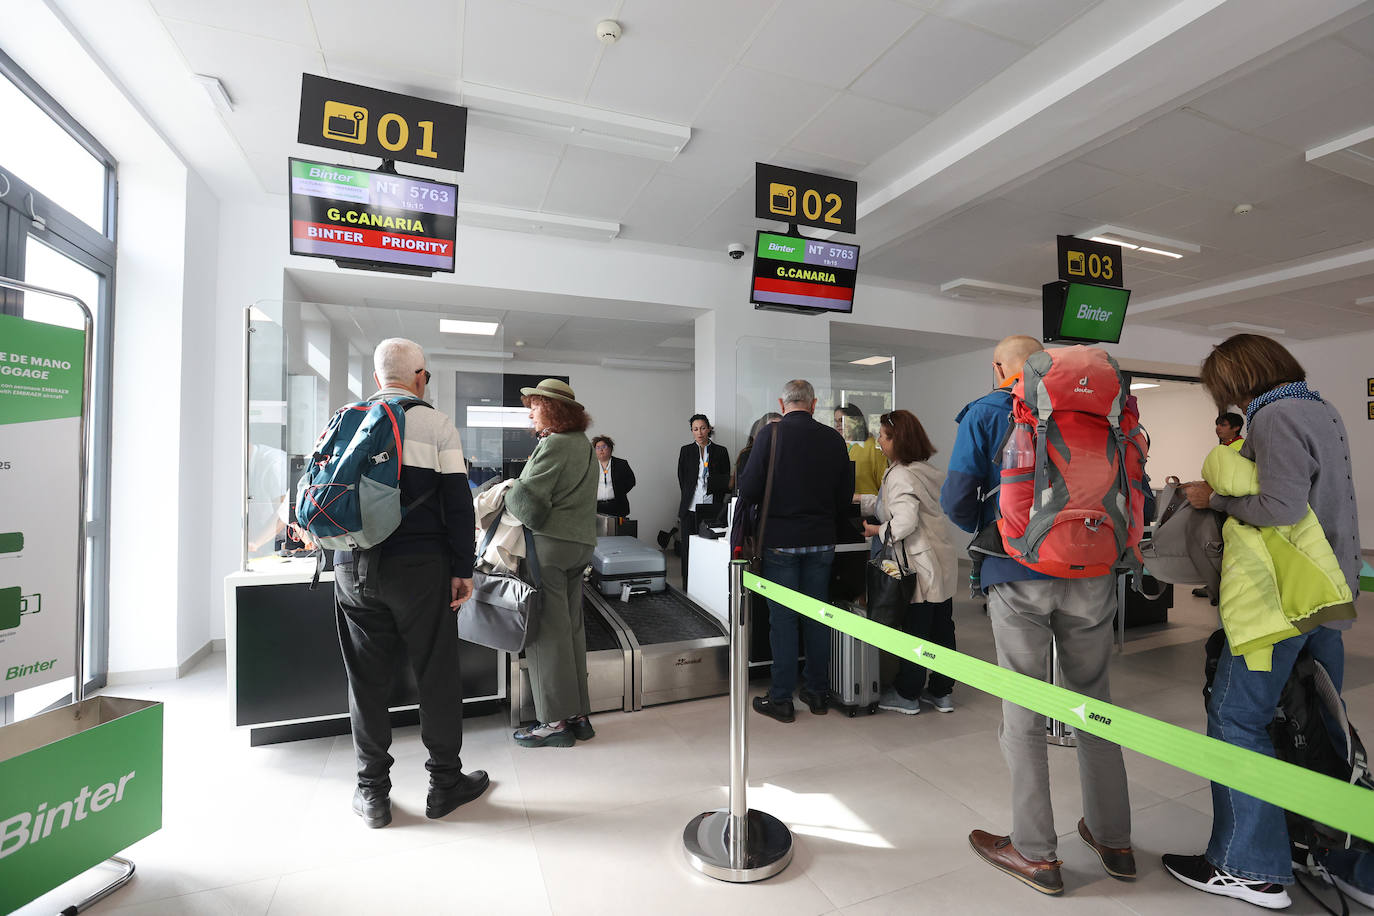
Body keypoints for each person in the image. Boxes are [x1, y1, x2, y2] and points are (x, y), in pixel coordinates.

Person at [1164, 334, 1360, 909]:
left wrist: (1213, 499)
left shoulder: (1274, 417)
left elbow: (1280, 507)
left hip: (1283, 600)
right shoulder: (1322, 408)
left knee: (1236, 718)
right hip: (1329, 594)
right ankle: (1320, 847)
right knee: (1316, 725)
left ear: (1236, 379)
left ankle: (1246, 866)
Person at [941, 334, 1135, 895]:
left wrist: (999, 527)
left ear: (999, 366)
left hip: (1018, 572)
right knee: (1094, 704)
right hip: (1094, 570)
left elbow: (956, 499)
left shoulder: (988, 410)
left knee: (1023, 709)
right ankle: (1114, 840)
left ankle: (1036, 852)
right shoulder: (1103, 408)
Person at [329, 338, 487, 828]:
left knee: (365, 680)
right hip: (419, 568)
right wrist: (463, 569)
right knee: (435, 673)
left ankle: (372, 792)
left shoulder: (346, 419)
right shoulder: (435, 423)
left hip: (351, 566)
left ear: (377, 379)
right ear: (420, 377)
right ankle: (444, 783)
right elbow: (458, 504)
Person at [738, 379, 854, 722]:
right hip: (822, 540)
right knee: (817, 616)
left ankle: (781, 698)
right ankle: (817, 693)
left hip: (780, 541)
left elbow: (748, 488)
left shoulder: (769, 435)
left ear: (782, 403)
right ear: (813, 404)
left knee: (783, 621)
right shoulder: (833, 438)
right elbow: (844, 495)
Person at [506, 378, 599, 748]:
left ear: (552, 409)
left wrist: (509, 488)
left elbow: (528, 505)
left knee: (546, 634)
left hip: (550, 549)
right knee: (572, 629)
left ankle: (554, 722)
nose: (530, 414)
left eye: (535, 407)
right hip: (580, 546)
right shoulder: (584, 445)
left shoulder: (554, 444)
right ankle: (578, 716)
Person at [858, 410, 959, 715]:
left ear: (898, 440)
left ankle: (907, 693)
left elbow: (903, 522)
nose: (879, 442)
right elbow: (900, 502)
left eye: (883, 437)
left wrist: (876, 530)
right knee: (942, 628)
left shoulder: (900, 474)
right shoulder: (925, 470)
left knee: (916, 630)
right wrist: (862, 500)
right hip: (940, 560)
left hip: (917, 563)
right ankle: (942, 692)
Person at [676, 414, 730, 589]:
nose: (699, 432)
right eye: (695, 429)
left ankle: (707, 586)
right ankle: (687, 584)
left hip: (711, 507)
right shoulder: (686, 450)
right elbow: (682, 477)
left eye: (703, 428)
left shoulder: (721, 451)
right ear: (692, 431)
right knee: (688, 547)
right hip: (690, 506)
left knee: (709, 547)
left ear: (709, 429)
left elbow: (725, 479)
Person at [835, 403, 886, 496]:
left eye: (842, 421)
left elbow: (884, 486)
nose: (838, 425)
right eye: (836, 421)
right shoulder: (837, 447)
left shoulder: (873, 447)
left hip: (868, 503)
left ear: (856, 421)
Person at [733, 411, 781, 488]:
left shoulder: (788, 454)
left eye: (780, 429)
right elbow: (745, 487)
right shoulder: (748, 455)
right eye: (770, 429)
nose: (775, 433)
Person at [592, 435, 636, 518]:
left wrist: (619, 492)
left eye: (604, 447)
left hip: (617, 506)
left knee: (616, 526)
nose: (601, 450)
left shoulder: (621, 464)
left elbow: (631, 481)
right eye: (598, 447)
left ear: (610, 448)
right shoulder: (589, 466)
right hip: (595, 507)